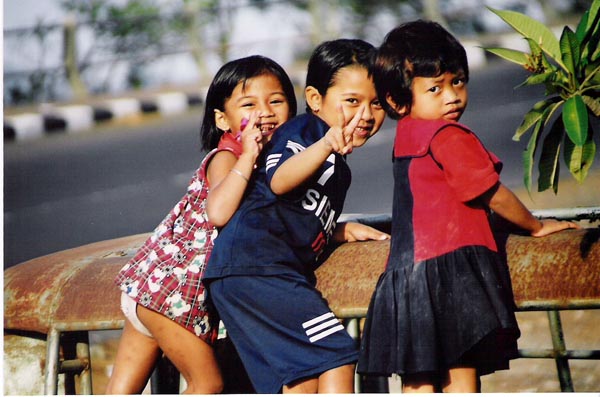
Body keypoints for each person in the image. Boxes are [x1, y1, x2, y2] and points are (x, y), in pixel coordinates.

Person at [357, 20, 580, 393]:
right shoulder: (447, 135)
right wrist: (536, 227)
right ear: (397, 101)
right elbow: (490, 192)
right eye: (435, 88)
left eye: (457, 81)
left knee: (419, 378)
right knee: (461, 372)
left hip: (406, 273)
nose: (451, 96)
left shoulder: (407, 135)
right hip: (450, 271)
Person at [203, 38, 389, 394]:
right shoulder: (304, 131)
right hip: (259, 269)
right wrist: (325, 145)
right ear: (315, 100)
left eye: (376, 103)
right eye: (352, 101)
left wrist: (338, 230)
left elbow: (292, 212)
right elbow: (279, 180)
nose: (365, 114)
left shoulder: (336, 165)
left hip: (247, 272)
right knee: (337, 353)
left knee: (301, 378)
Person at [106, 55, 298, 394]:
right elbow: (219, 212)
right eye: (249, 104)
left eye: (276, 101)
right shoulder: (227, 159)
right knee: (207, 383)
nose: (265, 112)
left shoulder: (278, 164)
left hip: (153, 291)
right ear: (223, 120)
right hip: (174, 294)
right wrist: (249, 156)